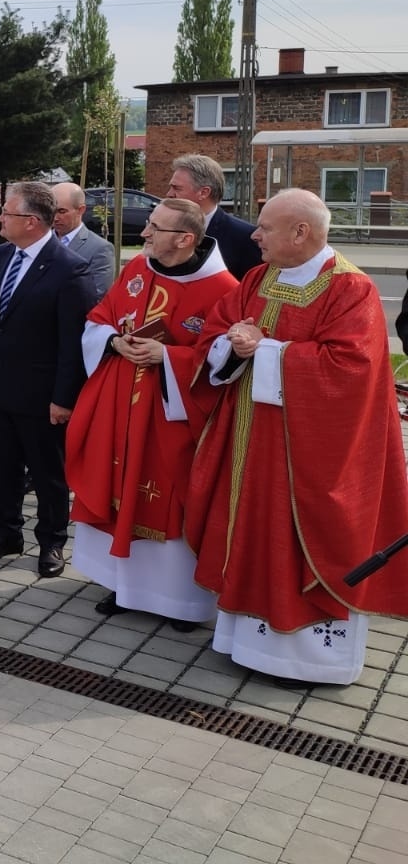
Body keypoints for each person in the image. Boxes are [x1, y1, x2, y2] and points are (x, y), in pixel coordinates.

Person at [185, 188, 408, 685]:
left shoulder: (351, 289)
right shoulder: (259, 277)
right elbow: (218, 331)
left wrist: (265, 349)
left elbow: (350, 369)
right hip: (251, 442)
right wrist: (232, 343)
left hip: (314, 453)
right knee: (252, 530)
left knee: (305, 539)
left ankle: (308, 662)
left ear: (301, 232)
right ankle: (246, 643)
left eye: (265, 227)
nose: (255, 236)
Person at [65, 198, 237, 628]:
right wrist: (112, 341)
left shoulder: (223, 289)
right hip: (122, 409)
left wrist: (169, 357)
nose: (144, 233)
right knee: (119, 486)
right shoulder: (138, 269)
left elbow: (222, 362)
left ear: (184, 239)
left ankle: (181, 603)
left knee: (173, 502)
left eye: (155, 228)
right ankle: (124, 588)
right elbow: (100, 317)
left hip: (172, 418)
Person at [0, 181, 92, 579]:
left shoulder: (69, 268)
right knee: (1, 469)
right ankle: (6, 533)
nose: (0, 218)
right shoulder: (1, 255)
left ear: (32, 222)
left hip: (42, 396)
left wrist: (64, 398)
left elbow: (73, 343)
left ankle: (52, 541)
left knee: (47, 473)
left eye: (7, 213)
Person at [166, 154, 260, 279]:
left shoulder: (245, 237)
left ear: (204, 192)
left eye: (177, 188)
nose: (169, 194)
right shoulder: (163, 228)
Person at [51, 182, 115, 301]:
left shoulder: (100, 249)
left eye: (62, 211)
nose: (55, 218)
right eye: (52, 211)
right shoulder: (41, 241)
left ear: (81, 210)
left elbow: (96, 297)